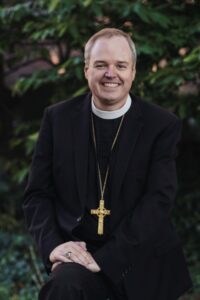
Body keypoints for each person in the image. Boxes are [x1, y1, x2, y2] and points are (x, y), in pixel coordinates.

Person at [23, 28, 192, 300]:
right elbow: (37, 195)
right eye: (101, 65)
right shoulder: (58, 119)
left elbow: (159, 200)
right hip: (80, 256)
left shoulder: (161, 125)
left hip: (142, 260)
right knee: (63, 285)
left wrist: (108, 258)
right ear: (86, 70)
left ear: (133, 72)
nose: (110, 73)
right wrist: (53, 246)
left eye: (120, 65)